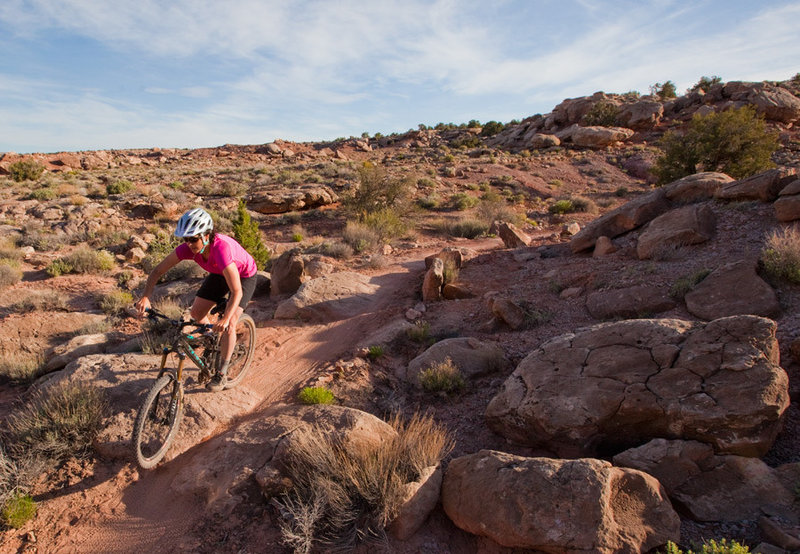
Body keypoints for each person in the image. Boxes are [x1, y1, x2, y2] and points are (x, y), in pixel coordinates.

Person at [135, 208, 258, 391]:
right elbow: (157, 271)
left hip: (244, 276)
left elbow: (237, 291)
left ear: (206, 235)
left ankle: (222, 374)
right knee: (196, 313)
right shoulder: (188, 249)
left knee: (231, 322)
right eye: (185, 239)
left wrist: (224, 319)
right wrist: (145, 296)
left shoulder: (221, 249)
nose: (189, 244)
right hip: (219, 273)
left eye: (193, 239)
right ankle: (211, 340)